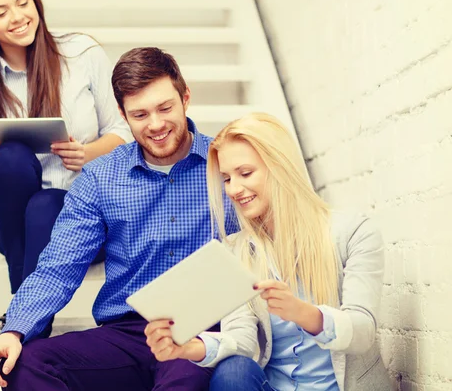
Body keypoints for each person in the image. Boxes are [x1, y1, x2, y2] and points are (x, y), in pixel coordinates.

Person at [0, 47, 238, 390]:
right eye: (141, 114)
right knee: (26, 364)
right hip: (128, 334)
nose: (156, 124)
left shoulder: (229, 164)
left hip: (201, 330)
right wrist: (14, 328)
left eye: (165, 108)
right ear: (122, 114)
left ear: (185, 97)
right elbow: (58, 266)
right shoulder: (101, 178)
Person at [144, 112, 392, 390]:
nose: (234, 189)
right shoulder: (236, 250)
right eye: (226, 178)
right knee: (234, 370)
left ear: (280, 167)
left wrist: (302, 312)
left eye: (245, 173)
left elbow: (362, 331)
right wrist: (190, 348)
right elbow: (242, 339)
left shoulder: (353, 231)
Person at [0, 0, 132, 330]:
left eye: (23, 2)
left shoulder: (82, 54)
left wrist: (86, 154)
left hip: (84, 218)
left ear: (35, 0)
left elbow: (124, 131)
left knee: (47, 204)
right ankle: (29, 314)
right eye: (1, 12)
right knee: (8, 159)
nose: (18, 16)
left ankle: (22, 318)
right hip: (11, 225)